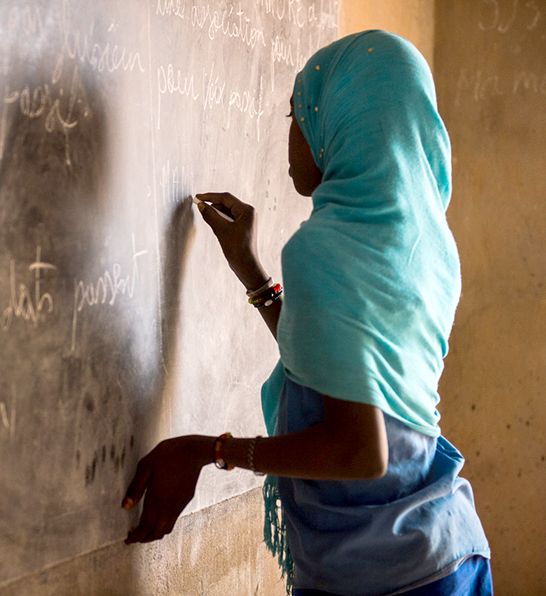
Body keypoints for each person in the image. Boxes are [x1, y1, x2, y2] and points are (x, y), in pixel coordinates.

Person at [121, 30, 492, 596]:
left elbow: (358, 450)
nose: (294, 135)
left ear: (343, 124)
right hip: (447, 551)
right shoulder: (421, 245)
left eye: (299, 115)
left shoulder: (326, 247)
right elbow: (339, 369)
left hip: (378, 574)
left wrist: (208, 450)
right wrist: (252, 274)